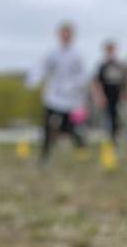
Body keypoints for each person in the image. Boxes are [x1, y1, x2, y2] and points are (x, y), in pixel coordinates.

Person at [25, 21, 88, 164]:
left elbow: (82, 75)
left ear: (72, 36)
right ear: (59, 35)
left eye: (68, 34)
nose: (65, 36)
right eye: (63, 33)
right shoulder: (52, 54)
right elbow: (41, 69)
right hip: (53, 97)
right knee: (47, 126)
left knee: (69, 127)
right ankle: (44, 156)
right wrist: (33, 80)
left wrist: (75, 88)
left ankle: (81, 146)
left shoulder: (77, 56)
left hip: (70, 99)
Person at [91, 39, 127, 147]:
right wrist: (100, 96)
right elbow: (97, 82)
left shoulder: (120, 65)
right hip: (106, 96)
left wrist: (124, 92)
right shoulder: (102, 66)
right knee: (107, 117)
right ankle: (109, 139)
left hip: (118, 96)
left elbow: (125, 81)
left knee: (118, 117)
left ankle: (116, 138)